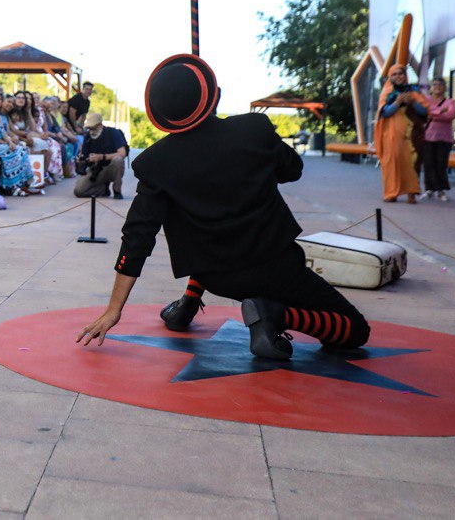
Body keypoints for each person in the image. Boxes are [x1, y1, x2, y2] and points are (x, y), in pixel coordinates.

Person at [78, 54, 371, 361]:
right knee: (354, 330)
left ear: (161, 114)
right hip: (276, 263)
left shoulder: (155, 163)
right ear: (214, 96)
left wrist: (114, 310)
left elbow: (137, 237)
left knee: (196, 217)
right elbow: (292, 170)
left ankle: (187, 305)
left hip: (217, 275)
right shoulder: (253, 130)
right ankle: (278, 315)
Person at [375, 64, 426, 204]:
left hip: (411, 134)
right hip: (391, 134)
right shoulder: (387, 92)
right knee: (391, 161)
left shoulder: (414, 91)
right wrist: (397, 102)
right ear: (390, 77)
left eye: (401, 73)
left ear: (405, 75)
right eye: (394, 74)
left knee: (411, 161)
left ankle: (412, 192)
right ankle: (392, 193)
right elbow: (384, 113)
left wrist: (413, 102)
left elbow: (424, 112)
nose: (398, 77)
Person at [74, 112, 129, 199]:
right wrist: (82, 160)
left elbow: (122, 153)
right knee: (79, 191)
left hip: (111, 168)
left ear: (100, 125)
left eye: (93, 128)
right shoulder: (88, 137)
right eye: (89, 129)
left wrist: (101, 157)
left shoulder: (113, 133)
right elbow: (84, 156)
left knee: (118, 160)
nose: (91, 132)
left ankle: (117, 190)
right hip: (96, 171)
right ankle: (103, 189)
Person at [422, 77, 455, 201]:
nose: (437, 87)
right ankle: (429, 189)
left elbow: (451, 115)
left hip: (444, 138)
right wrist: (441, 111)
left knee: (441, 164)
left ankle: (441, 190)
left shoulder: (450, 102)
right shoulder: (426, 100)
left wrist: (434, 113)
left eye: (440, 84)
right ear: (431, 87)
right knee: (428, 163)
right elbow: (425, 113)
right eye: (434, 84)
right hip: (427, 136)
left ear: (445, 87)